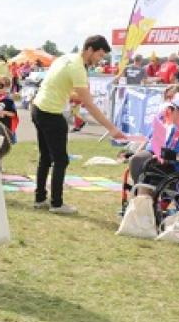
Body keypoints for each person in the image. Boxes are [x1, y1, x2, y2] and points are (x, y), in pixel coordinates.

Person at [32, 35, 125, 214]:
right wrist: (111, 128)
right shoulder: (77, 68)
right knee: (61, 160)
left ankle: (40, 198)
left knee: (46, 157)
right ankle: (56, 204)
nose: (99, 60)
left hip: (38, 108)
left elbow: (59, 85)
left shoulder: (66, 58)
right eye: (99, 55)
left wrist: (73, 96)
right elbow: (89, 105)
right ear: (89, 50)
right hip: (50, 113)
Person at [128, 93, 179, 192]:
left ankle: (142, 201)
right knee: (140, 163)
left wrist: (168, 156)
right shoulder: (176, 129)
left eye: (173, 109)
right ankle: (142, 201)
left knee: (146, 169)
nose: (170, 111)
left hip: (177, 173)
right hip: (172, 169)